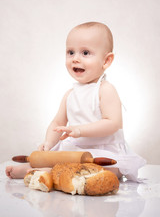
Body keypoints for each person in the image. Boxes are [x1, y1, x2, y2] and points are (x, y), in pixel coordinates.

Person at [6, 22, 146, 180]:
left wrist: (79, 131)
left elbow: (113, 123)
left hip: (104, 150)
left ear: (106, 61)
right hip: (75, 150)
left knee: (105, 171)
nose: (75, 59)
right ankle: (37, 169)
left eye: (85, 53)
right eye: (70, 52)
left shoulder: (105, 89)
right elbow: (57, 123)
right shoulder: (70, 95)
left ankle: (47, 173)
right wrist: (48, 143)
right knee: (61, 161)